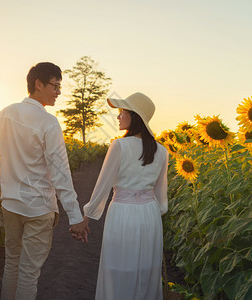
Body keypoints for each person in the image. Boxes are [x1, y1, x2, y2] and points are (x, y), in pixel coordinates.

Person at [0, 62, 88, 300]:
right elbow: (60, 174)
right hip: (38, 208)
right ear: (38, 84)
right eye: (55, 86)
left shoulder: (2, 115)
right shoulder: (48, 123)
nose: (59, 92)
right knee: (28, 273)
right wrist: (76, 217)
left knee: (11, 265)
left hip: (10, 206)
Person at [81, 92, 169, 300]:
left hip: (122, 213)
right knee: (147, 272)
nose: (118, 117)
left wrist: (86, 219)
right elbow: (160, 196)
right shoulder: (162, 151)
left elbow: (102, 186)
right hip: (150, 215)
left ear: (135, 117)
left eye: (122, 112)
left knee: (118, 269)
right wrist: (154, 212)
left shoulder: (119, 146)